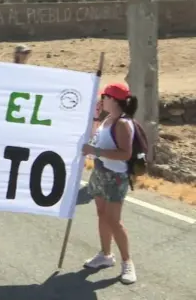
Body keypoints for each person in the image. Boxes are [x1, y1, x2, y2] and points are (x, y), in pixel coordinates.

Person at [81, 83, 138, 285]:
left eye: (104, 97)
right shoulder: (107, 119)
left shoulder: (122, 123)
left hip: (115, 176)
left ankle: (127, 261)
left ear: (114, 99)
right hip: (100, 172)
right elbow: (99, 143)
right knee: (102, 215)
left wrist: (95, 151)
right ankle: (106, 255)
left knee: (114, 220)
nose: (101, 100)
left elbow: (125, 153)